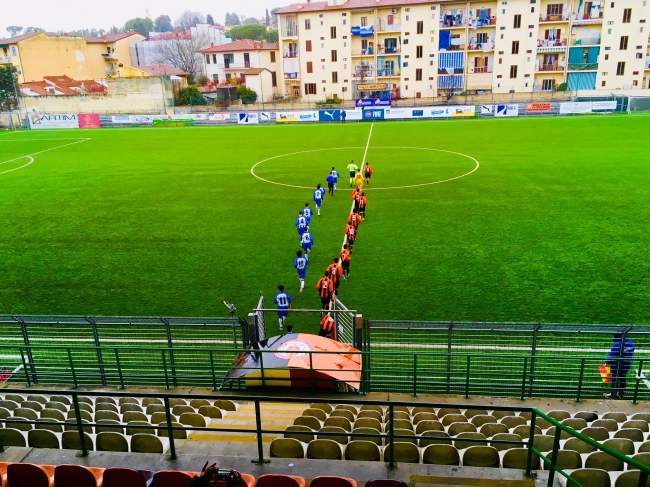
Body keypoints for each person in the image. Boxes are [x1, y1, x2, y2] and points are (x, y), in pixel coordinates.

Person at [605, 333, 636, 400]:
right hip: (626, 365)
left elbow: (612, 356)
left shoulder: (618, 344)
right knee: (622, 379)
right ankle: (621, 394)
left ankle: (613, 394)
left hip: (616, 366)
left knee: (614, 380)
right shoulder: (631, 343)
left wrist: (607, 363)